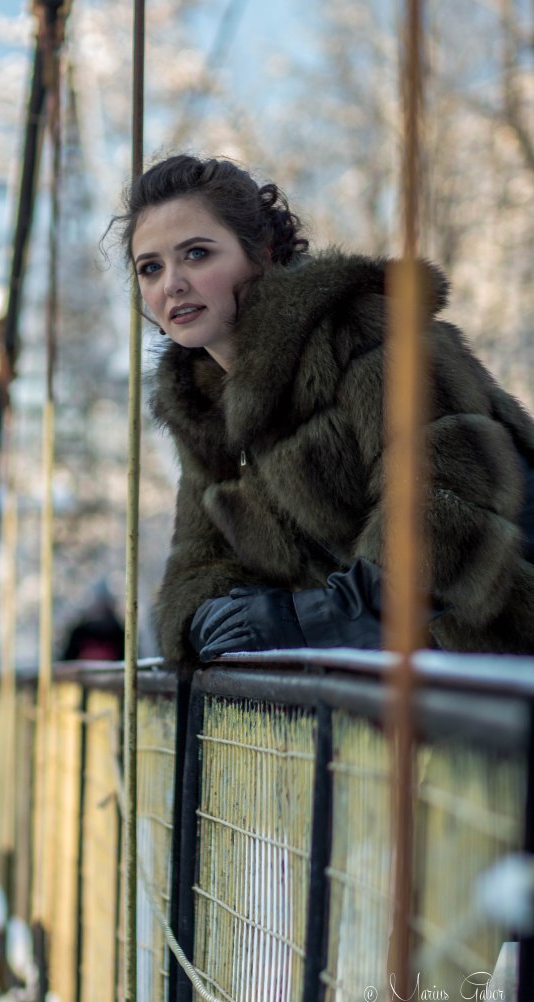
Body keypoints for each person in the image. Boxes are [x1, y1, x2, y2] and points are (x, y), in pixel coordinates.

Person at [112, 153, 534, 665]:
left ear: (262, 252)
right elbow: (199, 566)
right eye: (150, 268)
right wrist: (203, 620)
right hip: (397, 694)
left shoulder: (365, 333)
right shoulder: (203, 410)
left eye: (197, 254)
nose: (172, 284)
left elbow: (450, 507)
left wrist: (307, 620)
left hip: (507, 665)